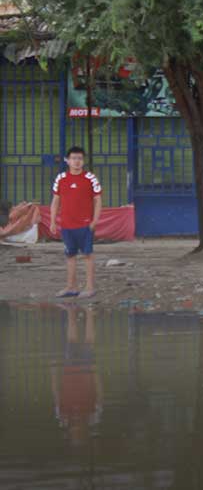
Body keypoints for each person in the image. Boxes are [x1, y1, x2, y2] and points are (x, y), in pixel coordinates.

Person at [50, 146, 102, 298]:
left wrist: (95, 221)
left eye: (79, 158)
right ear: (67, 160)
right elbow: (55, 201)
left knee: (87, 255)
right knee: (70, 255)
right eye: (74, 158)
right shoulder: (61, 178)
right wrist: (53, 221)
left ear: (83, 161)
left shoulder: (90, 178)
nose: (77, 161)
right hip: (66, 225)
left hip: (85, 225)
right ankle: (71, 287)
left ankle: (90, 287)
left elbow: (98, 201)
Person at [52, 306, 103, 447]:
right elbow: (99, 395)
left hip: (71, 373)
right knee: (86, 342)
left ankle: (72, 312)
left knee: (72, 341)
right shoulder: (93, 417)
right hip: (84, 373)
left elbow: (56, 394)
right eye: (77, 432)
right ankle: (87, 313)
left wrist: (54, 372)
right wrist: (96, 372)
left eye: (75, 432)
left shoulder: (63, 417)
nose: (76, 428)